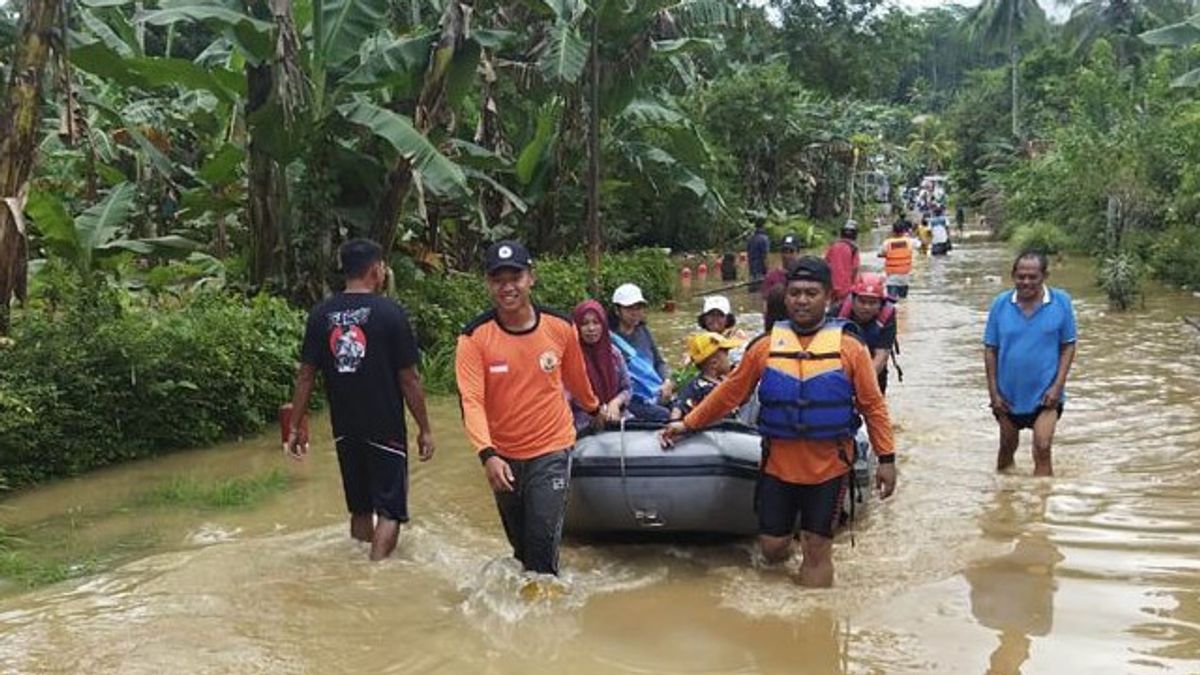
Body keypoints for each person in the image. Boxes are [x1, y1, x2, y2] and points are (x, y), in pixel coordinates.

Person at [661, 257, 896, 588]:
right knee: (772, 549)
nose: (802, 300)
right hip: (777, 467)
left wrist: (886, 459)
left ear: (829, 297)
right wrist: (687, 423)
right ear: (785, 298)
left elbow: (873, 406)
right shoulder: (765, 347)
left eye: (811, 293)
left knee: (817, 550)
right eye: (795, 293)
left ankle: (813, 627)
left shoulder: (850, 348)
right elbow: (730, 394)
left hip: (828, 467)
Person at [456, 240, 603, 575]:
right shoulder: (474, 338)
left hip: (551, 449)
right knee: (521, 548)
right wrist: (487, 454)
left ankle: (548, 619)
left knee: (541, 546)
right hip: (502, 456)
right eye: (498, 279)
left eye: (516, 277)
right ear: (488, 284)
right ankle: (529, 609)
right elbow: (471, 401)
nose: (508, 287)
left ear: (530, 278)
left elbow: (577, 380)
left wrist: (595, 409)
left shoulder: (561, 327)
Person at [286, 238, 435, 561]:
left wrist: (295, 425)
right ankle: (375, 575)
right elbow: (409, 379)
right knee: (391, 511)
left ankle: (357, 567)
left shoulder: (320, 314)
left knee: (360, 508)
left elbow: (306, 376)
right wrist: (425, 428)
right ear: (375, 269)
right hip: (384, 427)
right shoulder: (391, 313)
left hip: (345, 428)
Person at [983, 251, 1077, 477]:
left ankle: (1040, 505)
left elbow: (1068, 346)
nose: (1026, 282)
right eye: (1021, 276)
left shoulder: (1061, 302)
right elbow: (990, 350)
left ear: (1044, 276)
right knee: (1007, 447)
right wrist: (994, 393)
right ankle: (1004, 500)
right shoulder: (1000, 305)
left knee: (1042, 448)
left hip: (1046, 396)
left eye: (1032, 277)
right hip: (1007, 397)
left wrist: (1057, 387)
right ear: (1013, 276)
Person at [610, 283, 673, 421]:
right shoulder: (610, 339)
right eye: (629, 308)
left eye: (638, 308)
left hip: (654, 392)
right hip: (631, 399)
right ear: (617, 310)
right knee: (664, 415)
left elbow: (659, 362)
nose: (635, 312)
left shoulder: (644, 332)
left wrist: (667, 381)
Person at [571, 300, 630, 432]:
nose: (591, 328)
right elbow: (567, 396)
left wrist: (615, 402)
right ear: (576, 327)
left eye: (596, 322)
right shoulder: (570, 357)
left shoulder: (614, 354)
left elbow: (627, 388)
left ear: (603, 325)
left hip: (615, 417)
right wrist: (596, 411)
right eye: (585, 323)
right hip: (582, 422)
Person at [834, 274, 898, 395]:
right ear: (853, 300)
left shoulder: (887, 316)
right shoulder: (837, 313)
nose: (866, 307)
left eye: (872, 303)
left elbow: (882, 355)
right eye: (862, 302)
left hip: (874, 368)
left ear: (881, 304)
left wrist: (862, 383)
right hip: (842, 367)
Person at [670, 332, 741, 420]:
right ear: (714, 363)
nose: (729, 359)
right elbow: (677, 409)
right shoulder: (708, 390)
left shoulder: (692, 384)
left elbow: (678, 405)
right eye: (727, 355)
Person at [824, 220, 860, 305]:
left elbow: (825, 263)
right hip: (846, 287)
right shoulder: (854, 249)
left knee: (832, 308)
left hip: (831, 286)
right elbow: (855, 268)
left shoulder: (833, 246)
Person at [878, 221, 916, 299]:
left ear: (893, 231)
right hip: (904, 278)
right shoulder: (910, 242)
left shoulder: (887, 243)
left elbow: (880, 254)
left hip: (892, 278)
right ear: (904, 231)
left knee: (891, 302)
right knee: (903, 300)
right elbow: (918, 245)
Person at [760, 233, 801, 302]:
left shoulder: (803, 275)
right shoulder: (771, 276)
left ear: (797, 253)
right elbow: (766, 303)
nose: (787, 255)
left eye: (791, 251)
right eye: (784, 251)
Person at [747, 219, 770, 287]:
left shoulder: (750, 239)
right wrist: (768, 272)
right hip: (761, 271)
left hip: (752, 271)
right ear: (763, 226)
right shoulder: (764, 239)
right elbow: (765, 256)